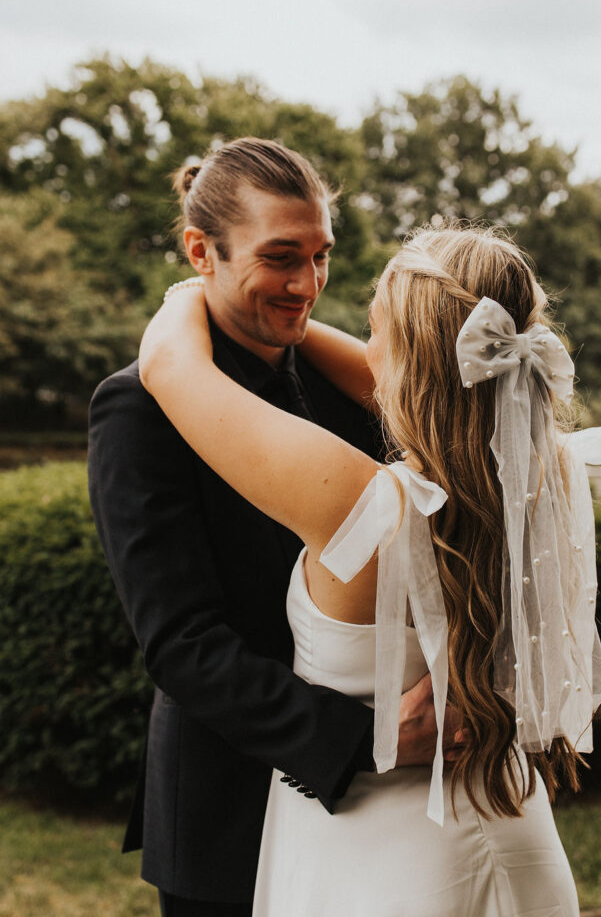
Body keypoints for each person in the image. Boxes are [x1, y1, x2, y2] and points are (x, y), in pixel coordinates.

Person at [139, 222, 601, 916]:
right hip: (513, 823)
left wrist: (200, 283)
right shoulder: (549, 474)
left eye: (373, 329)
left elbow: (166, 365)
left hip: (382, 860)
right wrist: (305, 318)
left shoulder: (361, 504)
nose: (365, 349)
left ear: (405, 355)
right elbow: (439, 385)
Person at [88, 138, 456, 917]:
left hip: (383, 821)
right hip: (232, 809)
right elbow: (181, 643)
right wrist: (363, 740)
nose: (307, 284)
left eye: (320, 256)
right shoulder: (137, 408)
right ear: (201, 252)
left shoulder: (344, 384)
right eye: (281, 258)